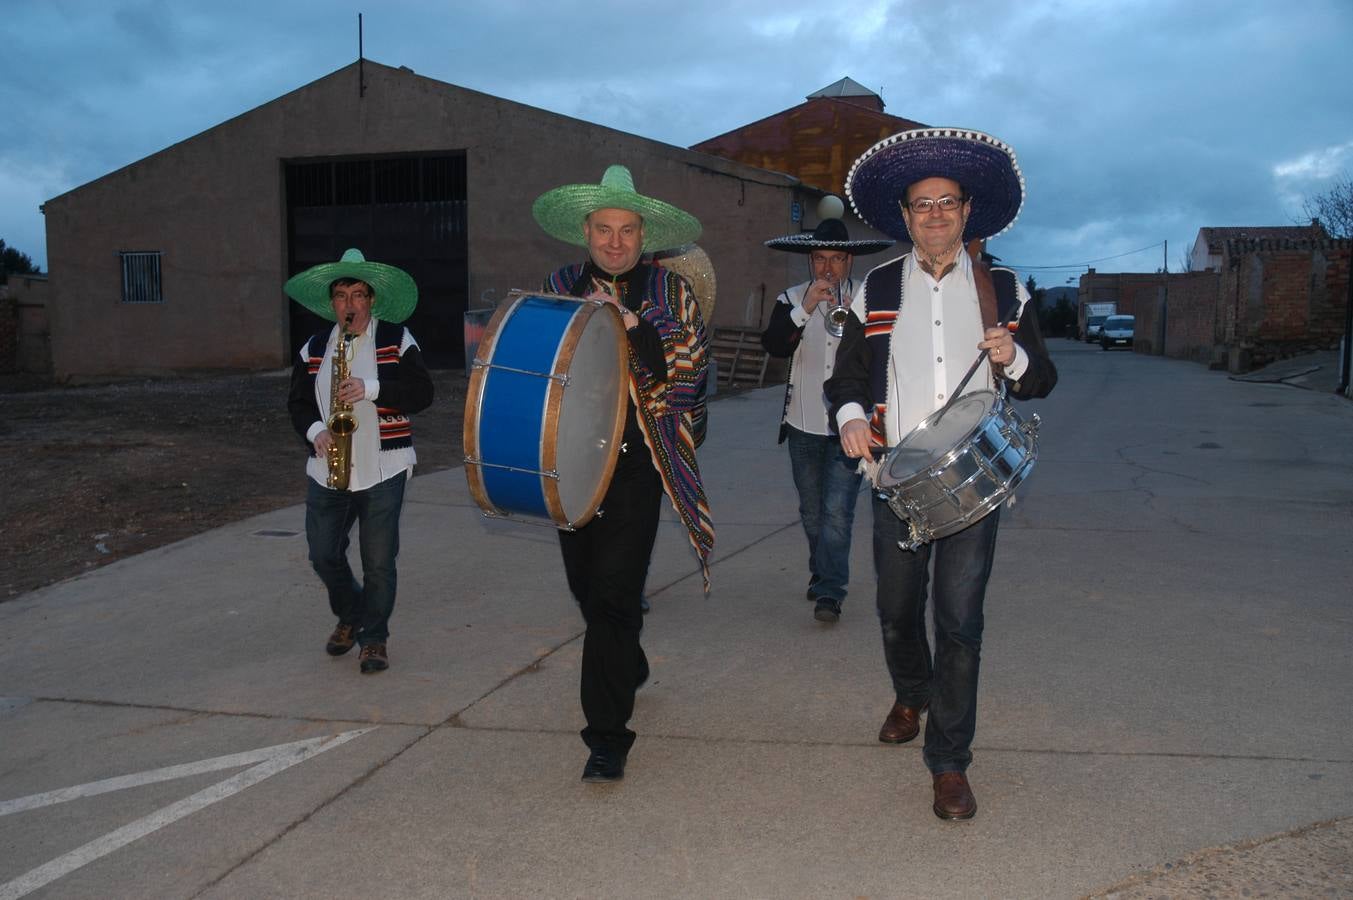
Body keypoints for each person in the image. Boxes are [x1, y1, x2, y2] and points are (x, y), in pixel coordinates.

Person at [825, 129, 1058, 820]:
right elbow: (845, 373)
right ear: (903, 216)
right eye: (919, 205)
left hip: (971, 481)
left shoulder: (1005, 288)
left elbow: (1041, 378)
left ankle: (949, 761)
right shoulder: (878, 285)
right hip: (894, 478)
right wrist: (847, 419)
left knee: (958, 621)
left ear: (966, 211)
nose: (933, 215)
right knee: (897, 611)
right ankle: (910, 691)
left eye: (946, 202)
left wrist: (1012, 356)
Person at [532, 164, 714, 783]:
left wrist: (631, 325)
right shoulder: (556, 285)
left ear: (644, 235)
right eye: (604, 229)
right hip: (572, 463)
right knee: (587, 589)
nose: (615, 242)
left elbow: (687, 378)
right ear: (585, 230)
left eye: (628, 230)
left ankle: (607, 738)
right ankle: (625, 659)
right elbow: (535, 367)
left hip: (640, 459)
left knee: (613, 592)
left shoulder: (670, 292)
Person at [285, 249, 434, 675]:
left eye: (357, 294)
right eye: (340, 296)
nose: (349, 304)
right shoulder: (314, 347)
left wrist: (369, 388)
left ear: (372, 300)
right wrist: (316, 433)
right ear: (331, 303)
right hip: (329, 465)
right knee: (322, 553)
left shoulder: (397, 340)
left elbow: (422, 394)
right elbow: (297, 403)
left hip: (384, 466)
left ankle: (374, 639)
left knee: (379, 561)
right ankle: (352, 612)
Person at [761, 215, 893, 623]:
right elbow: (774, 345)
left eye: (837, 259)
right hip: (803, 424)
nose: (828, 268)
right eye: (820, 259)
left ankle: (830, 591)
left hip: (850, 428)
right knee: (812, 511)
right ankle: (824, 571)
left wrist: (857, 316)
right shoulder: (792, 297)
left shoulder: (867, 299)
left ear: (850, 262)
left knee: (838, 512)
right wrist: (805, 309)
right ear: (810, 261)